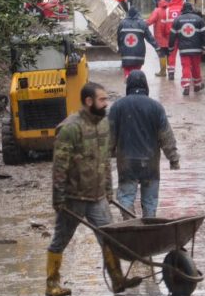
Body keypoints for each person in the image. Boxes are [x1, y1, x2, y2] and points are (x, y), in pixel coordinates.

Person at [46, 83, 142, 296]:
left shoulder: (104, 125)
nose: (106, 103)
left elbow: (105, 160)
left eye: (106, 99)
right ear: (89, 101)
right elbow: (60, 165)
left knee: (110, 238)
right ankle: (52, 284)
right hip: (73, 197)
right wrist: (58, 198)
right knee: (61, 240)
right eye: (102, 99)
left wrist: (108, 189)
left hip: (97, 197)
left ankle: (117, 279)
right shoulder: (70, 128)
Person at [109, 71, 180, 218]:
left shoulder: (117, 107)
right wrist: (173, 158)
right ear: (145, 86)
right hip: (150, 164)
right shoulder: (156, 107)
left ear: (128, 86)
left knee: (126, 197)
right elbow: (166, 136)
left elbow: (109, 137)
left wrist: (107, 154)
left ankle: (130, 223)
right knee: (150, 201)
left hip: (126, 163)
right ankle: (149, 225)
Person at [168, 2, 205, 96]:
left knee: (185, 67)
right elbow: (204, 35)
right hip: (196, 49)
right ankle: (197, 85)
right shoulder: (199, 19)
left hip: (184, 50)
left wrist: (171, 47)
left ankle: (186, 86)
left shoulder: (177, 20)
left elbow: (172, 36)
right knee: (196, 67)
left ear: (183, 9)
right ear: (191, 9)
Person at [117, 6, 159, 79]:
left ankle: (128, 78)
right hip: (139, 54)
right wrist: (157, 48)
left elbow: (119, 37)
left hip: (126, 54)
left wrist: (120, 48)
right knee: (137, 70)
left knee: (127, 69)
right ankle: (135, 80)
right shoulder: (142, 23)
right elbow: (150, 38)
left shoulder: (122, 23)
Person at [146, 0, 171, 77]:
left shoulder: (157, 11)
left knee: (162, 54)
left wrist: (142, 25)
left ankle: (163, 71)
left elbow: (150, 21)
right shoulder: (170, 10)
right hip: (170, 37)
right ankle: (171, 71)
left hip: (160, 38)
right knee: (169, 55)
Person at [165, 0, 185, 80]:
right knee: (184, 54)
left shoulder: (167, 9)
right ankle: (186, 72)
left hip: (171, 35)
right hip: (182, 35)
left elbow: (165, 23)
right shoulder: (183, 9)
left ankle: (171, 72)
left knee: (171, 54)